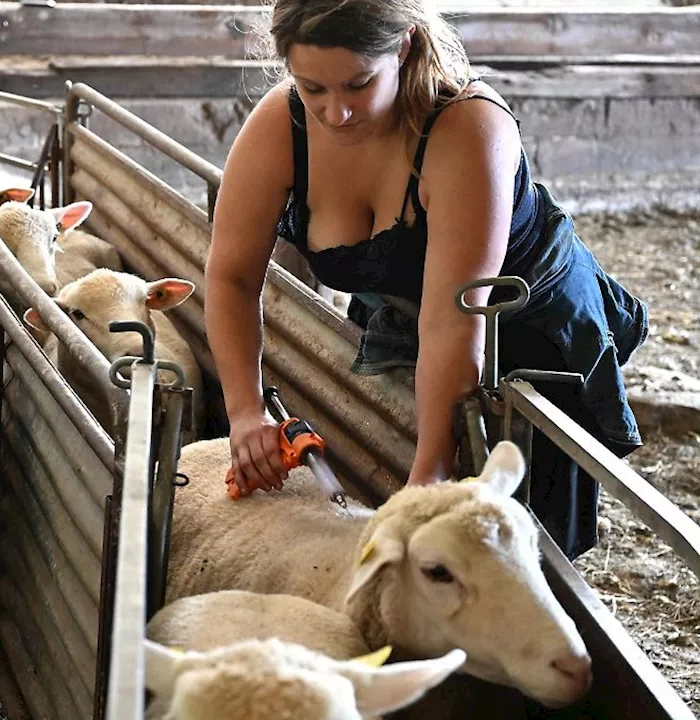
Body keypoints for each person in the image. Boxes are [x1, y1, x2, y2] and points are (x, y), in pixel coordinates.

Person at [204, 0, 649, 560]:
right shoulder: (283, 124)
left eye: (358, 84)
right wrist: (245, 412)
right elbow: (232, 276)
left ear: (404, 46)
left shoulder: (467, 127)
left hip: (521, 322)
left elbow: (452, 321)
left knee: (518, 536)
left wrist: (430, 474)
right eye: (312, 88)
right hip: (404, 308)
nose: (335, 112)